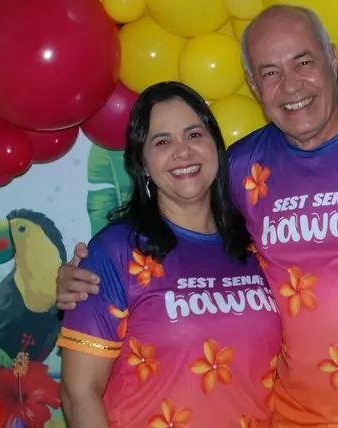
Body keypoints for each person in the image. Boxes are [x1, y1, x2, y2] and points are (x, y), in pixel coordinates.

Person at [56, 5, 338, 428]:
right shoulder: (241, 169)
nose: (291, 86)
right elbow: (184, 231)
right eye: (270, 73)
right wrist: (79, 279)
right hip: (294, 418)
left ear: (332, 58)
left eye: (303, 62)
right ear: (252, 84)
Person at [57, 81, 282, 428]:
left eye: (194, 135)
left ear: (215, 146)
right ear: (143, 163)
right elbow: (79, 392)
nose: (182, 151)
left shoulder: (258, 245)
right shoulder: (115, 253)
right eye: (162, 142)